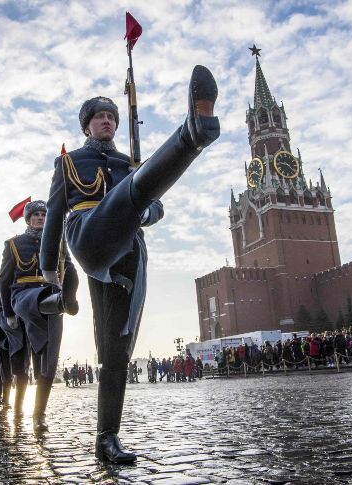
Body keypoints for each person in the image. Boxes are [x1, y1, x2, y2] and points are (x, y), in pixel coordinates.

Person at [39, 65, 219, 462]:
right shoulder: (69, 164)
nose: (107, 121)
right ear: (87, 126)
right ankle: (193, 133)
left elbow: (156, 206)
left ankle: (107, 438)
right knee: (129, 195)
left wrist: (149, 212)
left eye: (112, 118)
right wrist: (51, 272)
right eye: (100, 117)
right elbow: (53, 217)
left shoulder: (129, 164)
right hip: (87, 234)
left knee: (115, 349)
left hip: (127, 252)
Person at [0, 200, 79, 432]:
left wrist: (71, 283)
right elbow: (4, 281)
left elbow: (69, 267)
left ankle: (38, 415)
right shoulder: (14, 244)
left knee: (48, 363)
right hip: (23, 296)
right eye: (36, 214)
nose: (41, 218)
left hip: (53, 300)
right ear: (28, 218)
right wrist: (8, 313)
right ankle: (61, 301)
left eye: (45, 214)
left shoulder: (57, 241)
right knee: (39, 299)